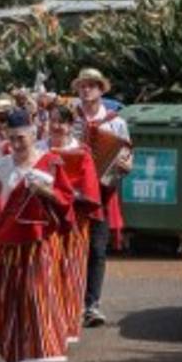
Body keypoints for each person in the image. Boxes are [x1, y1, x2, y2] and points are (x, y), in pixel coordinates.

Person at [0, 109, 76, 362]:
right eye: (12, 138)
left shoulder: (50, 162)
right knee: (10, 297)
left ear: (33, 135)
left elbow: (66, 198)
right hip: (8, 240)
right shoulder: (3, 164)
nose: (16, 144)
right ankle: (14, 354)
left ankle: (36, 351)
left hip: (39, 240)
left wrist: (45, 190)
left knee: (36, 295)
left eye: (21, 138)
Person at [72, 68, 132, 328]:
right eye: (82, 86)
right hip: (73, 193)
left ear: (100, 89)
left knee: (97, 250)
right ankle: (70, 300)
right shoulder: (69, 118)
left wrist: (125, 166)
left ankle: (92, 304)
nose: (86, 90)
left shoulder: (115, 122)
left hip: (102, 193)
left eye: (92, 85)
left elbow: (126, 156)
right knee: (72, 248)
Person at [45, 102, 103, 345]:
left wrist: (67, 195)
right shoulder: (38, 149)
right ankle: (48, 322)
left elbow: (89, 191)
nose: (56, 126)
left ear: (70, 126)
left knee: (70, 270)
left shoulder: (82, 152)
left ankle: (67, 323)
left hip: (74, 220)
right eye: (52, 121)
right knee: (47, 271)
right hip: (45, 218)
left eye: (61, 122)